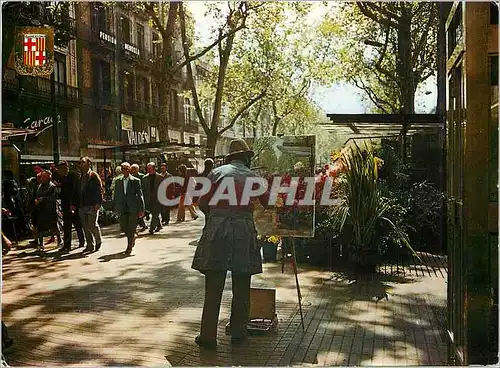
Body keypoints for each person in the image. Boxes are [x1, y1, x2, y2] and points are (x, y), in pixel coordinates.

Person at [192, 138, 270, 349]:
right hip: (243, 231)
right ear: (246, 157)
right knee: (242, 285)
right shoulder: (254, 177)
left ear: (229, 157)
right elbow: (268, 202)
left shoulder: (216, 173)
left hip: (218, 229)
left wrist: (216, 217)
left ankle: (208, 336)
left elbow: (202, 203)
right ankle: (238, 333)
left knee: (214, 286)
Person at [113, 162, 145, 255]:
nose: (124, 170)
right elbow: (116, 195)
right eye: (122, 169)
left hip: (133, 207)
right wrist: (116, 207)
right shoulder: (118, 181)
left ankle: (129, 246)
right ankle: (132, 236)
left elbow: (140, 195)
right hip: (122, 207)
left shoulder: (135, 180)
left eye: (126, 169)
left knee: (131, 227)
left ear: (129, 170)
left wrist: (141, 209)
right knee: (124, 226)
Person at [55, 161, 85, 252]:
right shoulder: (63, 178)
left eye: (60, 169)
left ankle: (81, 241)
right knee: (67, 225)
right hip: (65, 205)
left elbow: (76, 191)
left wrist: (73, 204)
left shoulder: (74, 175)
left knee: (77, 224)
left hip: (73, 205)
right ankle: (67, 244)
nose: (59, 171)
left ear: (65, 168)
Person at [79, 156, 103, 253]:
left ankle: (98, 240)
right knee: (85, 226)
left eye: (83, 162)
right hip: (82, 205)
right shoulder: (80, 177)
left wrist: (98, 203)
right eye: (80, 163)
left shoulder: (93, 176)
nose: (81, 165)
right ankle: (89, 244)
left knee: (92, 225)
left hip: (92, 205)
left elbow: (99, 190)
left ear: (89, 164)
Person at [34, 170, 61, 250]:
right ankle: (41, 243)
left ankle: (59, 240)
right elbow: (36, 195)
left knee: (55, 226)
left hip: (51, 209)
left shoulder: (53, 186)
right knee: (40, 227)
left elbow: (54, 198)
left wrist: (43, 199)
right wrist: (36, 200)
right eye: (42, 176)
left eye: (45, 176)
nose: (42, 178)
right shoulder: (39, 187)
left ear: (49, 177)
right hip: (41, 210)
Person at [141, 162, 165, 234]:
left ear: (154, 169)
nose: (148, 170)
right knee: (154, 214)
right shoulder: (144, 178)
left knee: (155, 214)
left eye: (150, 168)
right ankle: (158, 225)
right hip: (148, 200)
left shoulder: (160, 177)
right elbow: (143, 190)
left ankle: (152, 228)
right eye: (148, 168)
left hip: (157, 199)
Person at [131, 163, 147, 232]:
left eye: (135, 169)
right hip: (134, 198)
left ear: (137, 169)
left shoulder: (142, 176)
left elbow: (144, 187)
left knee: (141, 212)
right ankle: (142, 225)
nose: (133, 171)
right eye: (132, 169)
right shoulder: (130, 177)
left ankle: (143, 225)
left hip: (141, 196)